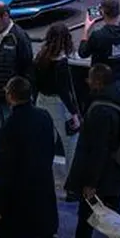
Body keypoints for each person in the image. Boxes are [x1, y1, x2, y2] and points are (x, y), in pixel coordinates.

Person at [0, 76, 61, 238]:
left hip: (15, 195)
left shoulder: (10, 126)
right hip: (41, 188)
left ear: (10, 95)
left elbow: (3, 169)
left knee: (6, 236)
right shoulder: (44, 116)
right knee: (44, 235)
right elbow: (50, 148)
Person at [66, 64, 120, 238]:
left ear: (98, 82)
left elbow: (98, 150)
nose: (87, 81)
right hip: (116, 173)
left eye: (90, 78)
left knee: (86, 222)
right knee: (114, 222)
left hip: (100, 180)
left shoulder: (100, 111)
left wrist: (90, 183)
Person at [32, 22, 81, 198]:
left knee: (45, 145)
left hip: (41, 102)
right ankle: (71, 188)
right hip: (59, 106)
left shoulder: (40, 57)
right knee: (71, 145)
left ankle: (40, 183)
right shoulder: (61, 62)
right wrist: (74, 113)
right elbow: (64, 91)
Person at [0, 1, 33, 128]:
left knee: (14, 130)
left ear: (5, 16)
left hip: (12, 99)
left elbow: (27, 69)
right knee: (2, 128)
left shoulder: (19, 37)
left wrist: (20, 97)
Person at [78, 0, 120, 85]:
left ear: (102, 12)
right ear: (119, 11)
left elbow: (82, 53)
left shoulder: (98, 35)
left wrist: (86, 30)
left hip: (102, 84)